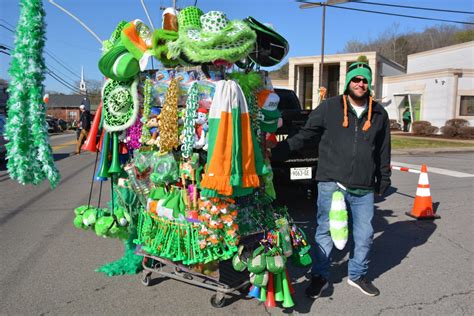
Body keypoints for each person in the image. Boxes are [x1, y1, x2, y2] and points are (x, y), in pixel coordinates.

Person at [272, 61, 391, 297]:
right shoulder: (329, 107)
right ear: (348, 82)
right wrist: (278, 151)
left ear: (369, 84)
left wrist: (383, 178)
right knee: (325, 231)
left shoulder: (379, 113)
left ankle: (357, 275)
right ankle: (320, 276)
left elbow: (383, 149)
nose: (360, 84)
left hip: (363, 185)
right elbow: (306, 134)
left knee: (365, 233)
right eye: (356, 79)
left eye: (365, 80)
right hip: (331, 182)